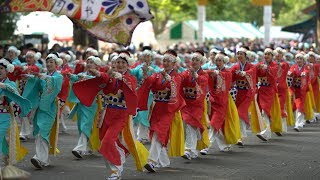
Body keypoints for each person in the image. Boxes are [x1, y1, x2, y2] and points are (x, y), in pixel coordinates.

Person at [72, 51, 146, 180]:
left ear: (128, 65)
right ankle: (121, 153)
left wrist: (121, 78)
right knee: (104, 142)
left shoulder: (130, 78)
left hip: (121, 115)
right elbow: (105, 78)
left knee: (107, 142)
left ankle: (116, 171)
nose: (120, 64)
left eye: (123, 62)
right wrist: (96, 72)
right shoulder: (111, 77)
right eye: (118, 62)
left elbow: (131, 87)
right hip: (107, 113)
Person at [138, 49, 186, 172]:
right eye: (164, 60)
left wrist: (170, 80)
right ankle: (164, 161)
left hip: (168, 109)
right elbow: (149, 82)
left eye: (168, 61)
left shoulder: (177, 76)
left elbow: (176, 89)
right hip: (157, 107)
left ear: (174, 63)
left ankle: (152, 161)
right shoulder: (158, 74)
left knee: (159, 133)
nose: (165, 63)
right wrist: (145, 74)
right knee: (156, 133)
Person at [30, 52, 63, 169]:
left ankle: (40, 158)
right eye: (47, 62)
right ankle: (43, 159)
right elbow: (38, 84)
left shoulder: (59, 76)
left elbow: (53, 82)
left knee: (43, 132)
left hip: (50, 108)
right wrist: (30, 77)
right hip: (41, 107)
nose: (48, 64)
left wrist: (43, 77)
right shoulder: (45, 75)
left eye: (51, 62)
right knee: (39, 131)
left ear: (56, 64)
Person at [68, 56, 102, 159]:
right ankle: (85, 147)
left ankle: (79, 148)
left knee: (85, 125)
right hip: (81, 103)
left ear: (97, 66)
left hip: (91, 104)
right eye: (88, 62)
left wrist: (83, 78)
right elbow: (76, 77)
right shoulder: (82, 74)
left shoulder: (98, 76)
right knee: (80, 125)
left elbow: (96, 81)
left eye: (92, 62)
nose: (89, 64)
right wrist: (70, 76)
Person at [180, 50, 208, 160]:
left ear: (201, 62)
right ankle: (192, 149)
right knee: (188, 125)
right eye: (193, 59)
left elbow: (204, 82)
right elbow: (180, 79)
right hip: (187, 104)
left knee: (191, 125)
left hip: (197, 104)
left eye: (197, 60)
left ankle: (189, 149)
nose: (194, 61)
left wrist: (196, 76)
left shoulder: (203, 74)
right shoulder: (187, 72)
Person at [130, 49, 161, 144]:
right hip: (140, 92)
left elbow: (160, 74)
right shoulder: (139, 66)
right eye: (145, 56)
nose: (146, 58)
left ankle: (144, 135)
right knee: (139, 112)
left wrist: (151, 70)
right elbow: (132, 72)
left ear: (151, 57)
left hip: (150, 93)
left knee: (145, 112)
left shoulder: (155, 67)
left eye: (148, 56)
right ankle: (142, 135)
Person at [229, 47, 256, 146]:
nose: (239, 55)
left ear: (246, 56)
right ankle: (240, 134)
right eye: (238, 53)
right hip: (238, 93)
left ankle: (240, 136)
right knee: (238, 113)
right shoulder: (234, 67)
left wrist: (246, 73)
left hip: (248, 93)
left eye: (241, 54)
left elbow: (252, 72)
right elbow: (229, 76)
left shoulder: (251, 66)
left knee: (240, 112)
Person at [256, 48, 282, 141]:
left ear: (272, 56)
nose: (266, 55)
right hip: (262, 89)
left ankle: (265, 132)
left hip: (270, 90)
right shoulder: (260, 64)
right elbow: (254, 71)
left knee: (265, 111)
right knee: (264, 111)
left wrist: (266, 68)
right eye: (265, 54)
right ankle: (267, 132)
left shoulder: (275, 65)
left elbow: (274, 74)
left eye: (268, 54)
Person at [288, 53, 309, 132]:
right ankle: (300, 122)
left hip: (301, 90)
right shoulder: (293, 66)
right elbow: (290, 72)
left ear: (303, 60)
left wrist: (305, 73)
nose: (299, 60)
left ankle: (298, 124)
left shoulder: (306, 67)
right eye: (297, 59)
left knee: (299, 106)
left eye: (300, 59)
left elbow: (307, 72)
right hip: (294, 89)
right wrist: (290, 73)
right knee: (295, 106)